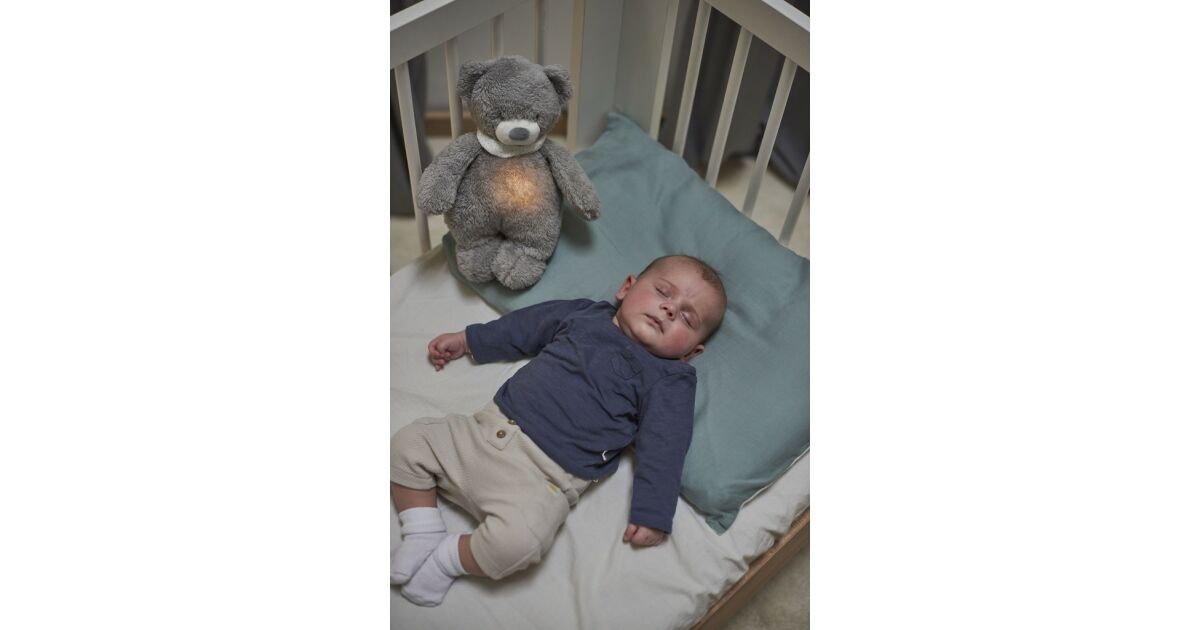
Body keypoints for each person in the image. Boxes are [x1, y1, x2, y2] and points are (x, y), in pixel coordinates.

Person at [390, 255, 727, 606]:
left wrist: (653, 512)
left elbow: (666, 445)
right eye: (663, 292)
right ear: (627, 288)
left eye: (687, 318)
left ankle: (446, 559)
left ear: (691, 352)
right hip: (484, 434)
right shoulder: (585, 315)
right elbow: (525, 326)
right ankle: (421, 530)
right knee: (408, 444)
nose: (670, 310)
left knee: (520, 545)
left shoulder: (670, 379)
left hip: (541, 481)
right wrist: (470, 340)